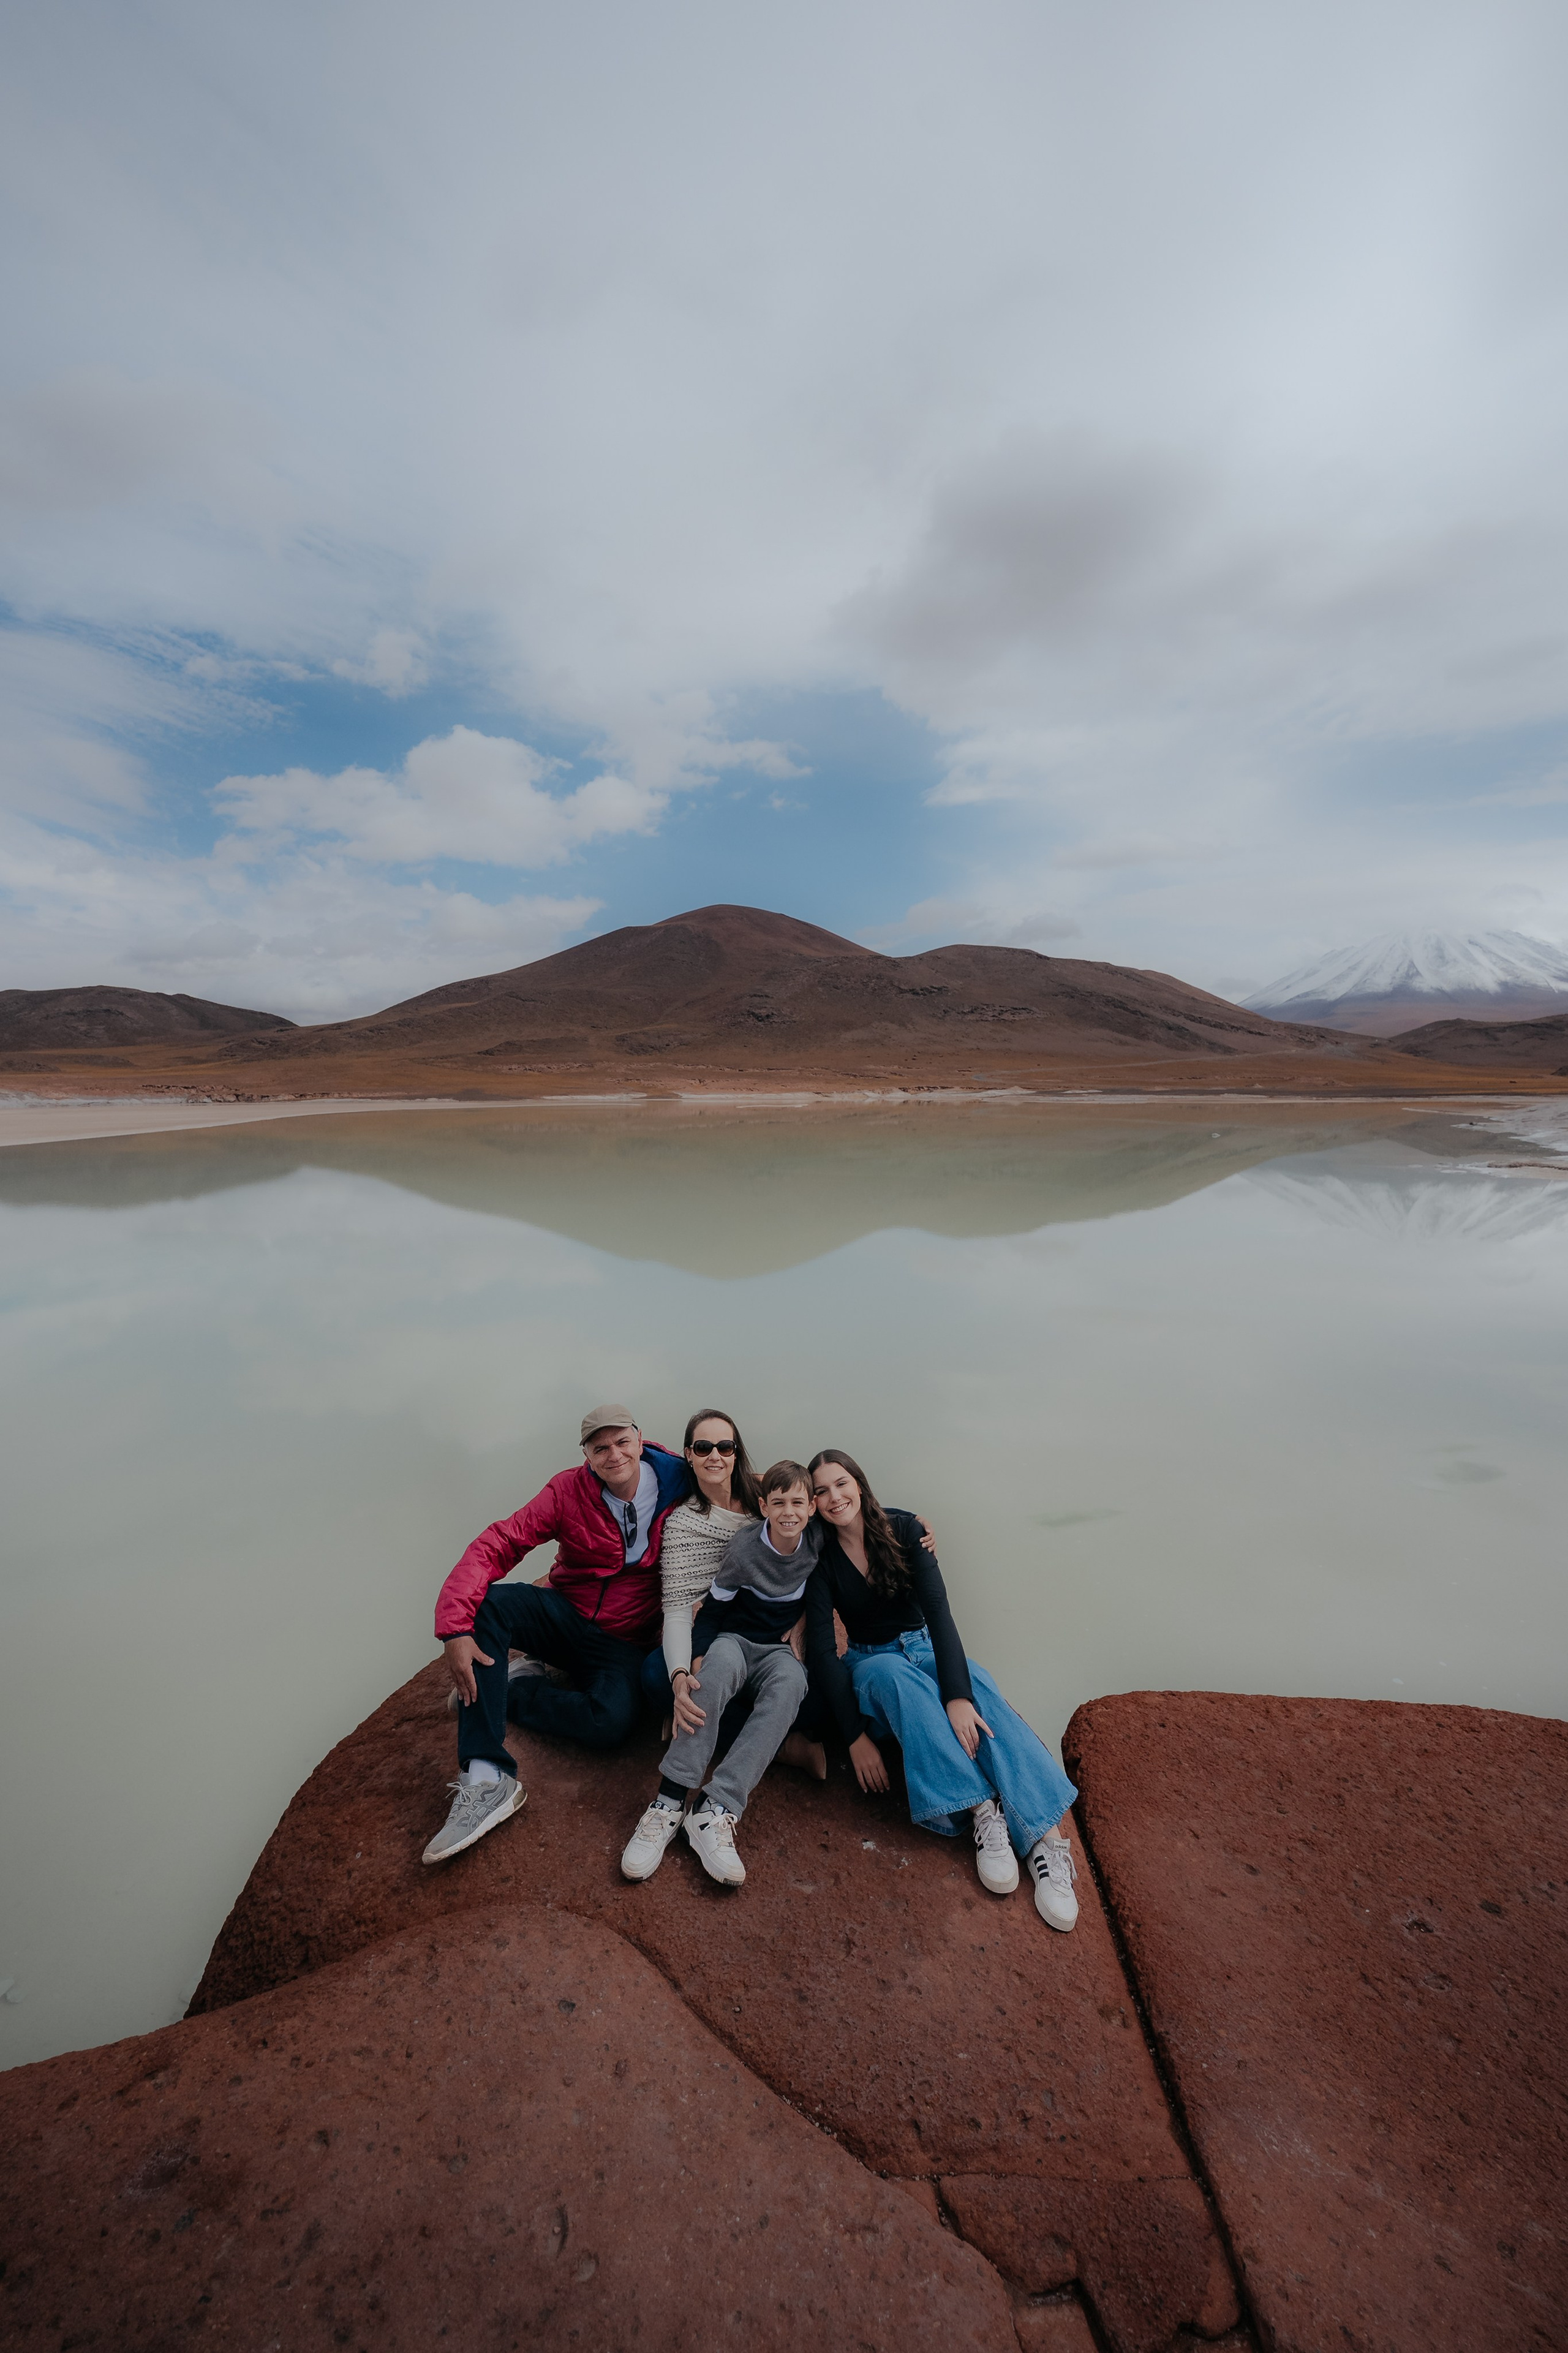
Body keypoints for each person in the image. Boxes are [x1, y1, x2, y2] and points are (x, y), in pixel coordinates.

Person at [804, 1448, 1080, 1931]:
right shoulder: (821, 1556)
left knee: (979, 1686)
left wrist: (957, 1695)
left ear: (860, 1484)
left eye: (841, 1483)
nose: (833, 1497)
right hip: (871, 1660)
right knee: (895, 1676)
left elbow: (939, 1612)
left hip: (923, 1645)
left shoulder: (907, 1529)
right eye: (821, 1490)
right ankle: (981, 1810)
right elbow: (826, 1654)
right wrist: (855, 1736)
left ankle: (1045, 1841)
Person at [423, 1406, 692, 1865]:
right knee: (488, 1604)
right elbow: (502, 1541)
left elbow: (743, 1496)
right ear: (586, 1455)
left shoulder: (679, 1482)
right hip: (564, 1613)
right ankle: (487, 1778)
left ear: (641, 1438)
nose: (614, 1454)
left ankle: (512, 1687)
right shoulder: (568, 1490)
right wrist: (454, 1624)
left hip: (623, 1640)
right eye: (600, 1447)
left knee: (610, 1723)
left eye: (622, 1441)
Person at [620, 1459, 820, 1887]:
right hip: (736, 1637)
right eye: (779, 1501)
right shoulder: (746, 1548)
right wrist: (698, 1660)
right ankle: (670, 1800)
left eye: (798, 1502)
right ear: (763, 1506)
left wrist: (919, 1522)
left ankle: (716, 1808)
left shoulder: (819, 1540)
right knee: (718, 1666)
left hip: (778, 1650)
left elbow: (869, 1513)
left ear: (813, 1507)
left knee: (793, 1683)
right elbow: (714, 1607)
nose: (789, 1511)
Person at [640, 1407, 825, 1777]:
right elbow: (677, 1609)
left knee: (815, 1696)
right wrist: (683, 1674)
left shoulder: (768, 1497)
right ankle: (783, 1746)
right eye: (704, 1447)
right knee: (656, 1680)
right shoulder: (682, 1524)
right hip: (713, 1630)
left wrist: (904, 1520)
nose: (715, 1456)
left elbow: (833, 1513)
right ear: (688, 1455)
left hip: (768, 1632)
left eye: (725, 1446)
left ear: (736, 1452)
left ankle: (708, 1727)